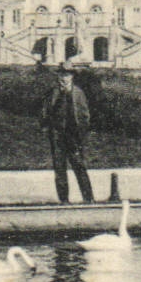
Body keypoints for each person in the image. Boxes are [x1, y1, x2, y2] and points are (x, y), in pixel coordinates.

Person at [38, 61, 94, 204]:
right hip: (57, 135)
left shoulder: (78, 93)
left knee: (79, 165)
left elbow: (85, 115)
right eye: (62, 75)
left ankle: (88, 198)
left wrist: (81, 132)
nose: (64, 78)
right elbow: (44, 112)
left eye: (67, 75)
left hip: (73, 136)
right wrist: (46, 127)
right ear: (58, 76)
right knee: (59, 167)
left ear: (72, 76)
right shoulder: (52, 93)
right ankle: (64, 200)